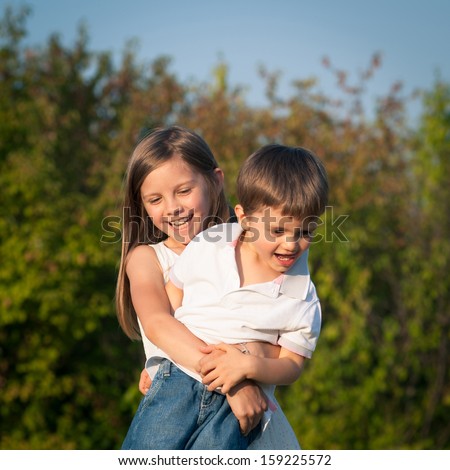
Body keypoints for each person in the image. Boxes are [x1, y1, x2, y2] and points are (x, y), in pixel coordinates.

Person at [121, 142, 328, 449]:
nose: (173, 207)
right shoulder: (189, 251)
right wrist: (162, 361)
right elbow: (164, 322)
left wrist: (244, 367)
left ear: (215, 181)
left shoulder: (271, 256)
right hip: (181, 382)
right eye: (155, 198)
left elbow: (280, 354)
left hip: (245, 411)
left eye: (183, 190)